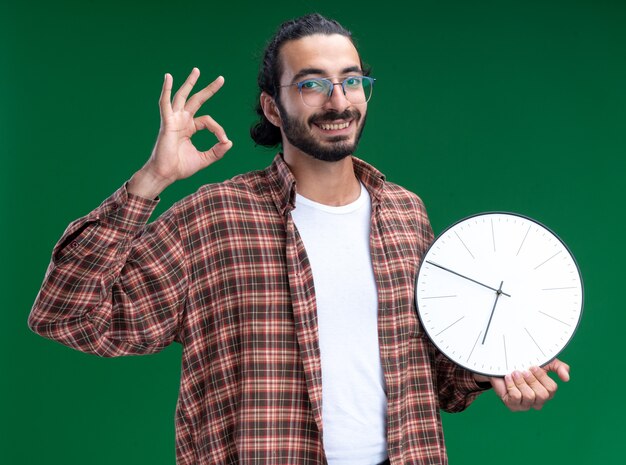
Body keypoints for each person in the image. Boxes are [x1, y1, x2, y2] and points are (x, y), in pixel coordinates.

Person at [29, 13, 570, 465]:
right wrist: (152, 180)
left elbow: (434, 380)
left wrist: (495, 371)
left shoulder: (406, 214)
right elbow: (68, 317)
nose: (338, 101)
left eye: (351, 80)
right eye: (312, 83)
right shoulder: (216, 218)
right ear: (272, 107)